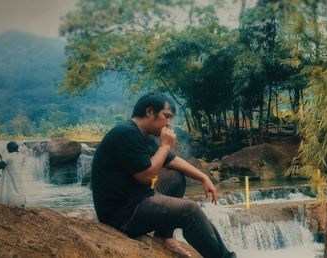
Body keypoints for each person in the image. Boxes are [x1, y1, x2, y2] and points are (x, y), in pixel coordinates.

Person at [91, 92, 235, 258]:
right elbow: (145, 176)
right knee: (190, 211)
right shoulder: (126, 133)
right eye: (166, 116)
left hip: (137, 198)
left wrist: (204, 177)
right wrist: (165, 146)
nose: (169, 123)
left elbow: (172, 160)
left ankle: (163, 236)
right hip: (122, 214)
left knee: (176, 176)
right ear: (150, 112)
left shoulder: (143, 135)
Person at [0, 141, 26, 206]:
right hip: (18, 175)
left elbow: (0, 166)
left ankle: (9, 203)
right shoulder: (22, 155)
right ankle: (21, 202)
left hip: (10, 176)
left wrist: (0, 159)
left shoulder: (8, 156)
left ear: (9, 149)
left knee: (10, 188)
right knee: (19, 187)